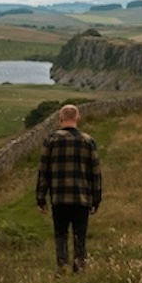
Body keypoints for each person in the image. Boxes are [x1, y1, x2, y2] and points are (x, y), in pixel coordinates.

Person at [35, 104, 103, 273]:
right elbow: (95, 172)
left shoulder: (51, 140)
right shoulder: (88, 141)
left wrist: (41, 197)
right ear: (77, 119)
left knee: (60, 233)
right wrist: (96, 198)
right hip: (82, 198)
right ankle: (79, 267)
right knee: (80, 235)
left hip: (59, 197)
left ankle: (62, 266)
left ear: (60, 119)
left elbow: (43, 171)